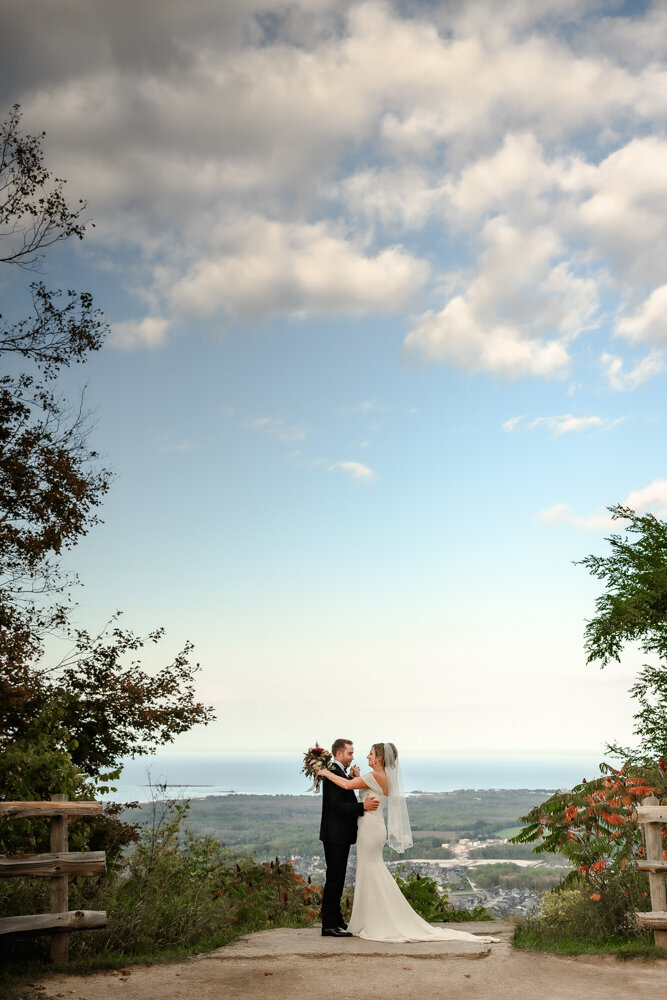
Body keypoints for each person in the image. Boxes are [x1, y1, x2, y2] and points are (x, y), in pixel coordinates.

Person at [318, 742, 499, 943]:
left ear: (379, 758)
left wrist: (324, 772)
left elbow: (345, 785)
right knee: (370, 871)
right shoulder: (381, 778)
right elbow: (356, 786)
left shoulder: (373, 776)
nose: (366, 756)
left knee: (371, 871)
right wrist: (354, 778)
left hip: (369, 830)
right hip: (374, 828)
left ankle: (374, 919)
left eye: (370, 754)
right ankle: (366, 919)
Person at [319, 738, 379, 937]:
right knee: (334, 879)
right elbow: (337, 807)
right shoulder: (333, 775)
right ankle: (329, 925)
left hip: (339, 835)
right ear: (338, 754)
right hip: (335, 835)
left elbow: (345, 796)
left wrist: (354, 778)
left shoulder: (339, 773)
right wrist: (363, 807)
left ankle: (336, 921)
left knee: (338, 878)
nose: (353, 756)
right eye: (350, 753)